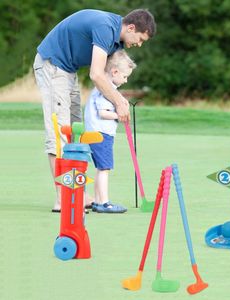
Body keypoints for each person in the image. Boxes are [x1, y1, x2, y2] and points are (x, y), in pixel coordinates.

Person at [33, 9, 156, 212]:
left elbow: (112, 72)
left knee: (75, 133)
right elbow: (96, 74)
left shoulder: (116, 39)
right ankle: (63, 198)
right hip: (53, 65)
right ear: (131, 28)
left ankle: (76, 193)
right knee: (60, 133)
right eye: (140, 39)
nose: (139, 44)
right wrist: (119, 101)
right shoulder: (106, 28)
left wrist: (117, 96)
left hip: (67, 71)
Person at [84, 50, 136, 213]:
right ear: (114, 72)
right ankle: (104, 202)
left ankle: (99, 201)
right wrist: (119, 115)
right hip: (101, 135)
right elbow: (103, 113)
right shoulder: (105, 90)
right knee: (104, 168)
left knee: (101, 168)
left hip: (98, 134)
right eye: (125, 76)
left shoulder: (106, 89)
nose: (126, 80)